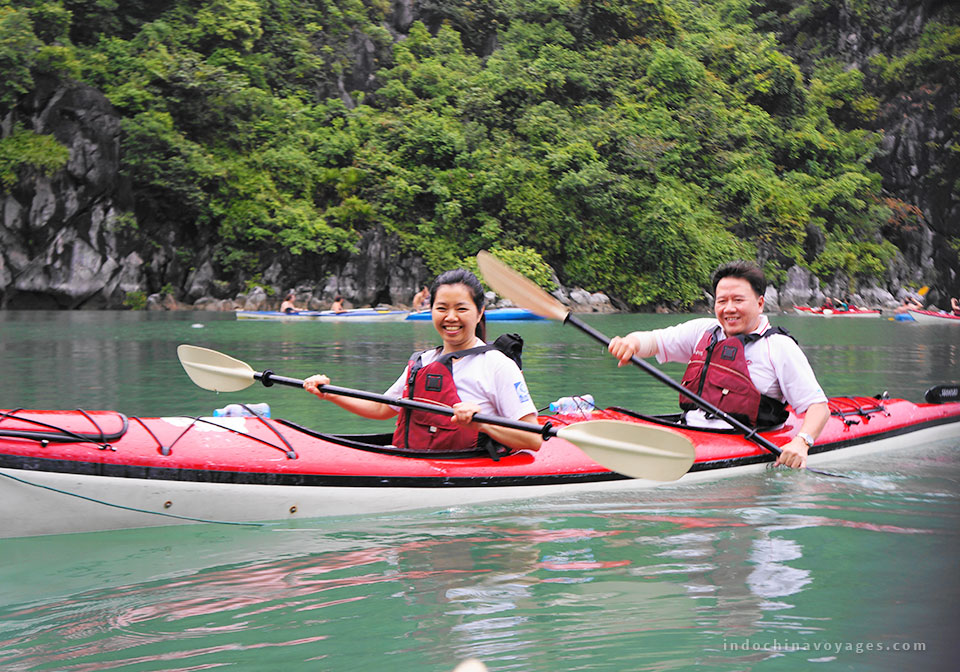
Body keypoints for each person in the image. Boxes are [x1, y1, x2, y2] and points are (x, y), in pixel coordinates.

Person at [607, 260, 829, 469]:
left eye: (738, 300)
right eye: (722, 301)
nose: (729, 309)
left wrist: (802, 442)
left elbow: (818, 407)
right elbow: (653, 341)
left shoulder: (779, 347)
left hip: (743, 441)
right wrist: (630, 343)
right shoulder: (704, 331)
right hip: (689, 433)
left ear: (760, 303)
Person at [304, 269, 541, 454]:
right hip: (413, 458)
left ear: (479, 313)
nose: (451, 317)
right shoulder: (424, 361)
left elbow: (533, 439)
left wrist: (482, 424)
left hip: (467, 467)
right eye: (442, 308)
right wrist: (329, 393)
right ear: (432, 311)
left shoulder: (497, 365)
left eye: (461, 309)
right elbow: (381, 408)